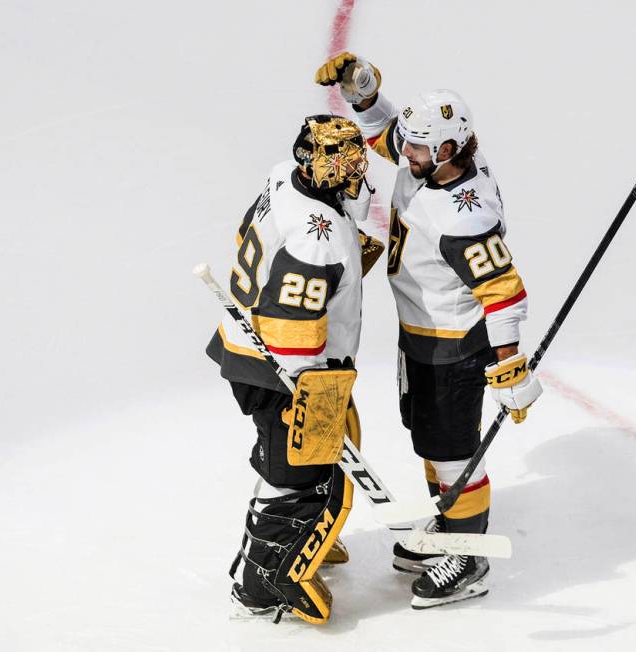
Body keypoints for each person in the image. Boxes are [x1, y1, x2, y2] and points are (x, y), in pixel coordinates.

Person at [315, 54, 544, 609]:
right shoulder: (435, 159)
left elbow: (504, 291)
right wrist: (363, 92)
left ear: (445, 151)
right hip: (419, 331)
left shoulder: (463, 217)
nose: (402, 153)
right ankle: (449, 523)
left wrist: (509, 365)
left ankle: (467, 555)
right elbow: (389, 135)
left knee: (453, 449)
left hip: (453, 344)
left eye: (415, 148)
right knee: (428, 438)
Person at [204, 114, 382, 623]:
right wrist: (313, 394)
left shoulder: (285, 173)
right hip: (282, 368)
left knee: (306, 460)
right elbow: (292, 322)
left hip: (246, 346)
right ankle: (264, 585)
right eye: (347, 161)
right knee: (298, 473)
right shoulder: (316, 239)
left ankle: (309, 543)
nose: (356, 169)